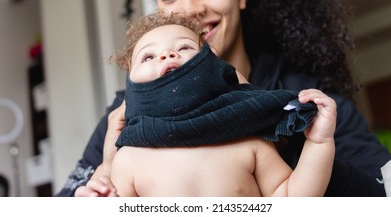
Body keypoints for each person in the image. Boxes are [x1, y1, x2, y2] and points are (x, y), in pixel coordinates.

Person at [56, 0, 391, 197]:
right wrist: (99, 182)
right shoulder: (123, 117)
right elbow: (68, 198)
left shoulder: (306, 99)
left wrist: (294, 147)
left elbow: (379, 192)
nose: (188, 10)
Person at [109, 10, 336, 197]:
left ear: (211, 67)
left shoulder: (248, 143)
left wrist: (319, 142)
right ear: (131, 87)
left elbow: (291, 200)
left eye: (184, 47)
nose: (167, 54)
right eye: (148, 57)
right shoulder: (128, 160)